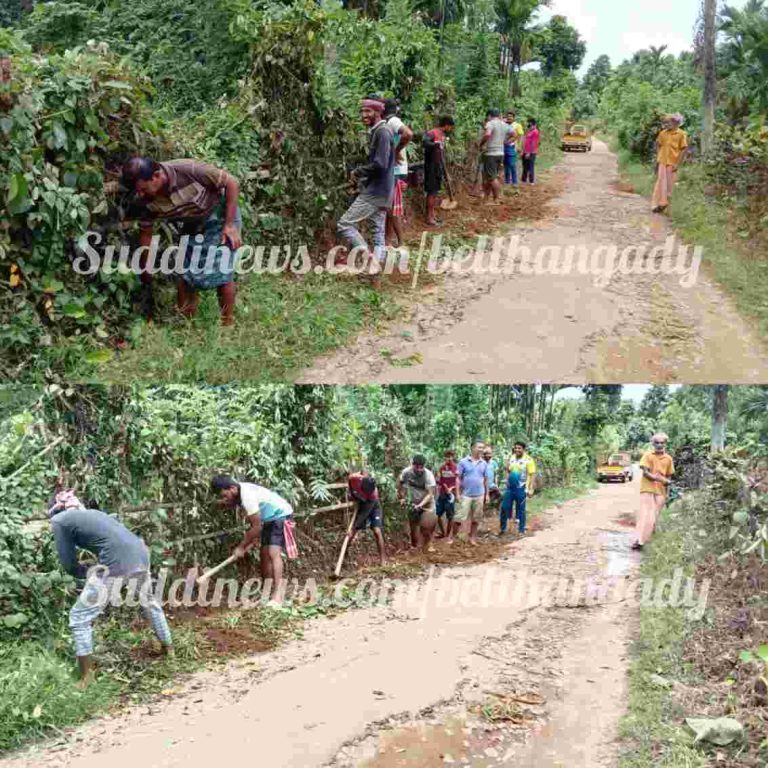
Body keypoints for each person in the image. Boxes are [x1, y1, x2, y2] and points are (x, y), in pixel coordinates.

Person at [48, 490, 173, 687]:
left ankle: (86, 678)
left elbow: (69, 564)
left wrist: (87, 572)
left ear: (54, 511)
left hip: (117, 562)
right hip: (140, 553)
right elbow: (112, 531)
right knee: (149, 602)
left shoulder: (60, 521)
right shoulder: (93, 514)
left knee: (79, 617)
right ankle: (169, 649)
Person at [121, 157, 242, 325]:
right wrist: (146, 266)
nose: (140, 194)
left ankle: (228, 324)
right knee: (184, 274)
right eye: (137, 191)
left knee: (222, 271)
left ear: (156, 176)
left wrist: (229, 225)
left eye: (143, 189)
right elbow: (146, 234)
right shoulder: (143, 201)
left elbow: (231, 182)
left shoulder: (189, 169)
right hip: (190, 224)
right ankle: (186, 323)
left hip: (219, 216)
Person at [212, 476, 297, 605]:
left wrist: (241, 547)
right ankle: (266, 592)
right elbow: (237, 504)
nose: (226, 498)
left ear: (233, 488)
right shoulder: (239, 489)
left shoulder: (247, 496)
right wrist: (224, 503)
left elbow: (256, 527)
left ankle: (277, 596)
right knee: (264, 555)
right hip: (268, 519)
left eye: (225, 495)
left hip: (281, 515)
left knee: (273, 553)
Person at [337, 97, 395, 280]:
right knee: (378, 232)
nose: (364, 115)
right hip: (383, 190)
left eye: (368, 111)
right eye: (362, 111)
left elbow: (380, 163)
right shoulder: (380, 131)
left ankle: (369, 261)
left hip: (376, 192)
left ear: (378, 113)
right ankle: (376, 274)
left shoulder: (382, 132)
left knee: (344, 224)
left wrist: (358, 172)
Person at [632, 434, 675, 550]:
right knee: (646, 515)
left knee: (654, 517)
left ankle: (645, 539)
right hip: (647, 488)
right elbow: (645, 473)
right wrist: (658, 478)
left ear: (665, 444)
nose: (659, 445)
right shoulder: (647, 456)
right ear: (653, 444)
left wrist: (668, 494)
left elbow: (669, 477)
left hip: (660, 491)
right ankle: (638, 541)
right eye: (657, 442)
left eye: (662, 443)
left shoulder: (668, 459)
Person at [383, 99, 414, 248]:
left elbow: (408, 133)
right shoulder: (389, 122)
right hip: (397, 170)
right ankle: (387, 240)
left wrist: (395, 151)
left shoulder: (392, 121)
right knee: (391, 206)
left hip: (395, 171)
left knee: (391, 208)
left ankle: (401, 242)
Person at [397, 455, 438, 552]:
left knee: (427, 525)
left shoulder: (428, 475)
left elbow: (430, 493)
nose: (419, 469)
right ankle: (414, 545)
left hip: (427, 503)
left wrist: (420, 505)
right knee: (413, 526)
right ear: (412, 465)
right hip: (413, 502)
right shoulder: (406, 472)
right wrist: (402, 497)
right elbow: (400, 484)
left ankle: (428, 544)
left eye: (421, 467)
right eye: (417, 467)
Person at [451, 442, 488, 546]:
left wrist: (487, 494)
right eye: (479, 447)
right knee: (459, 517)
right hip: (466, 494)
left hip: (479, 494)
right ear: (472, 448)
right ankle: (452, 537)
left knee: (476, 518)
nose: (481, 449)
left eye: (482, 448)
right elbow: (458, 478)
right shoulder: (463, 462)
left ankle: (472, 538)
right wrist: (457, 494)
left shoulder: (484, 463)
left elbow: (485, 479)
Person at [423, 116, 456, 226]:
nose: (450, 129)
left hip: (437, 165)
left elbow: (440, 152)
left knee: (435, 191)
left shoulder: (442, 135)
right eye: (450, 127)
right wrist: (435, 144)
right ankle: (428, 217)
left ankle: (432, 215)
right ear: (446, 125)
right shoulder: (432, 133)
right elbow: (424, 143)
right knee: (431, 191)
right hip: (431, 165)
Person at [652, 114, 688, 214]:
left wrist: (677, 164)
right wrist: (658, 158)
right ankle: (658, 204)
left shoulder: (681, 134)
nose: (666, 125)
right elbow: (658, 145)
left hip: (672, 162)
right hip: (662, 161)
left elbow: (683, 149)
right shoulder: (663, 133)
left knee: (670, 184)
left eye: (668, 123)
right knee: (660, 182)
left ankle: (667, 207)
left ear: (676, 123)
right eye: (665, 123)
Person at [347, 470, 386, 565]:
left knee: (377, 530)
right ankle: (345, 552)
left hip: (372, 506)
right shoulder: (355, 478)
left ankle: (383, 560)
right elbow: (349, 479)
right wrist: (353, 494)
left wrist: (353, 527)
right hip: (362, 502)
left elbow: (364, 514)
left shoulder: (373, 494)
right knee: (353, 532)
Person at [500, 441, 537, 536]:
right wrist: (507, 479)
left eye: (519, 448)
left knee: (521, 509)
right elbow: (507, 469)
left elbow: (532, 475)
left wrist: (531, 488)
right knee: (504, 507)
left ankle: (521, 530)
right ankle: (502, 529)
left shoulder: (529, 460)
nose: (517, 450)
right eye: (516, 448)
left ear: (523, 449)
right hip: (510, 488)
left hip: (521, 487)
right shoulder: (511, 458)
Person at [480, 109, 513, 202]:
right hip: (501, 153)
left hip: (491, 154)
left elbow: (487, 134)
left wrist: (481, 144)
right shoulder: (505, 124)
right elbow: (514, 134)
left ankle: (498, 197)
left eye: (487, 117)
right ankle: (491, 197)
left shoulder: (490, 123)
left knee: (492, 178)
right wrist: (506, 142)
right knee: (493, 176)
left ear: (489, 116)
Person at [435, 449, 459, 538]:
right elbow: (439, 480)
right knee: (437, 515)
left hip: (451, 495)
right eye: (447, 457)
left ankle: (448, 535)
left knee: (450, 516)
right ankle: (443, 533)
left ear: (453, 457)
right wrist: (442, 485)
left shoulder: (456, 468)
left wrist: (451, 489)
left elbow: (457, 481)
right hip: (442, 494)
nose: (448, 458)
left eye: (450, 456)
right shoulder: (442, 468)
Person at [503, 111, 524, 186]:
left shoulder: (517, 125)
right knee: (506, 165)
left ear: (513, 118)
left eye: (511, 116)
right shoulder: (504, 124)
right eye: (508, 116)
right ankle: (507, 181)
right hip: (503, 147)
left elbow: (521, 136)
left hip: (512, 146)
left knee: (512, 164)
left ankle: (514, 182)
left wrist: (519, 146)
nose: (509, 118)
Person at [521, 118, 540, 184]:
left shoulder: (535, 131)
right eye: (529, 124)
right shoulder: (529, 131)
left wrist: (529, 152)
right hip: (525, 151)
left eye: (530, 124)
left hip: (531, 152)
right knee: (525, 166)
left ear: (534, 125)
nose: (529, 125)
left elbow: (534, 143)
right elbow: (525, 141)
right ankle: (524, 180)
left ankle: (531, 181)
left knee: (530, 166)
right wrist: (523, 151)